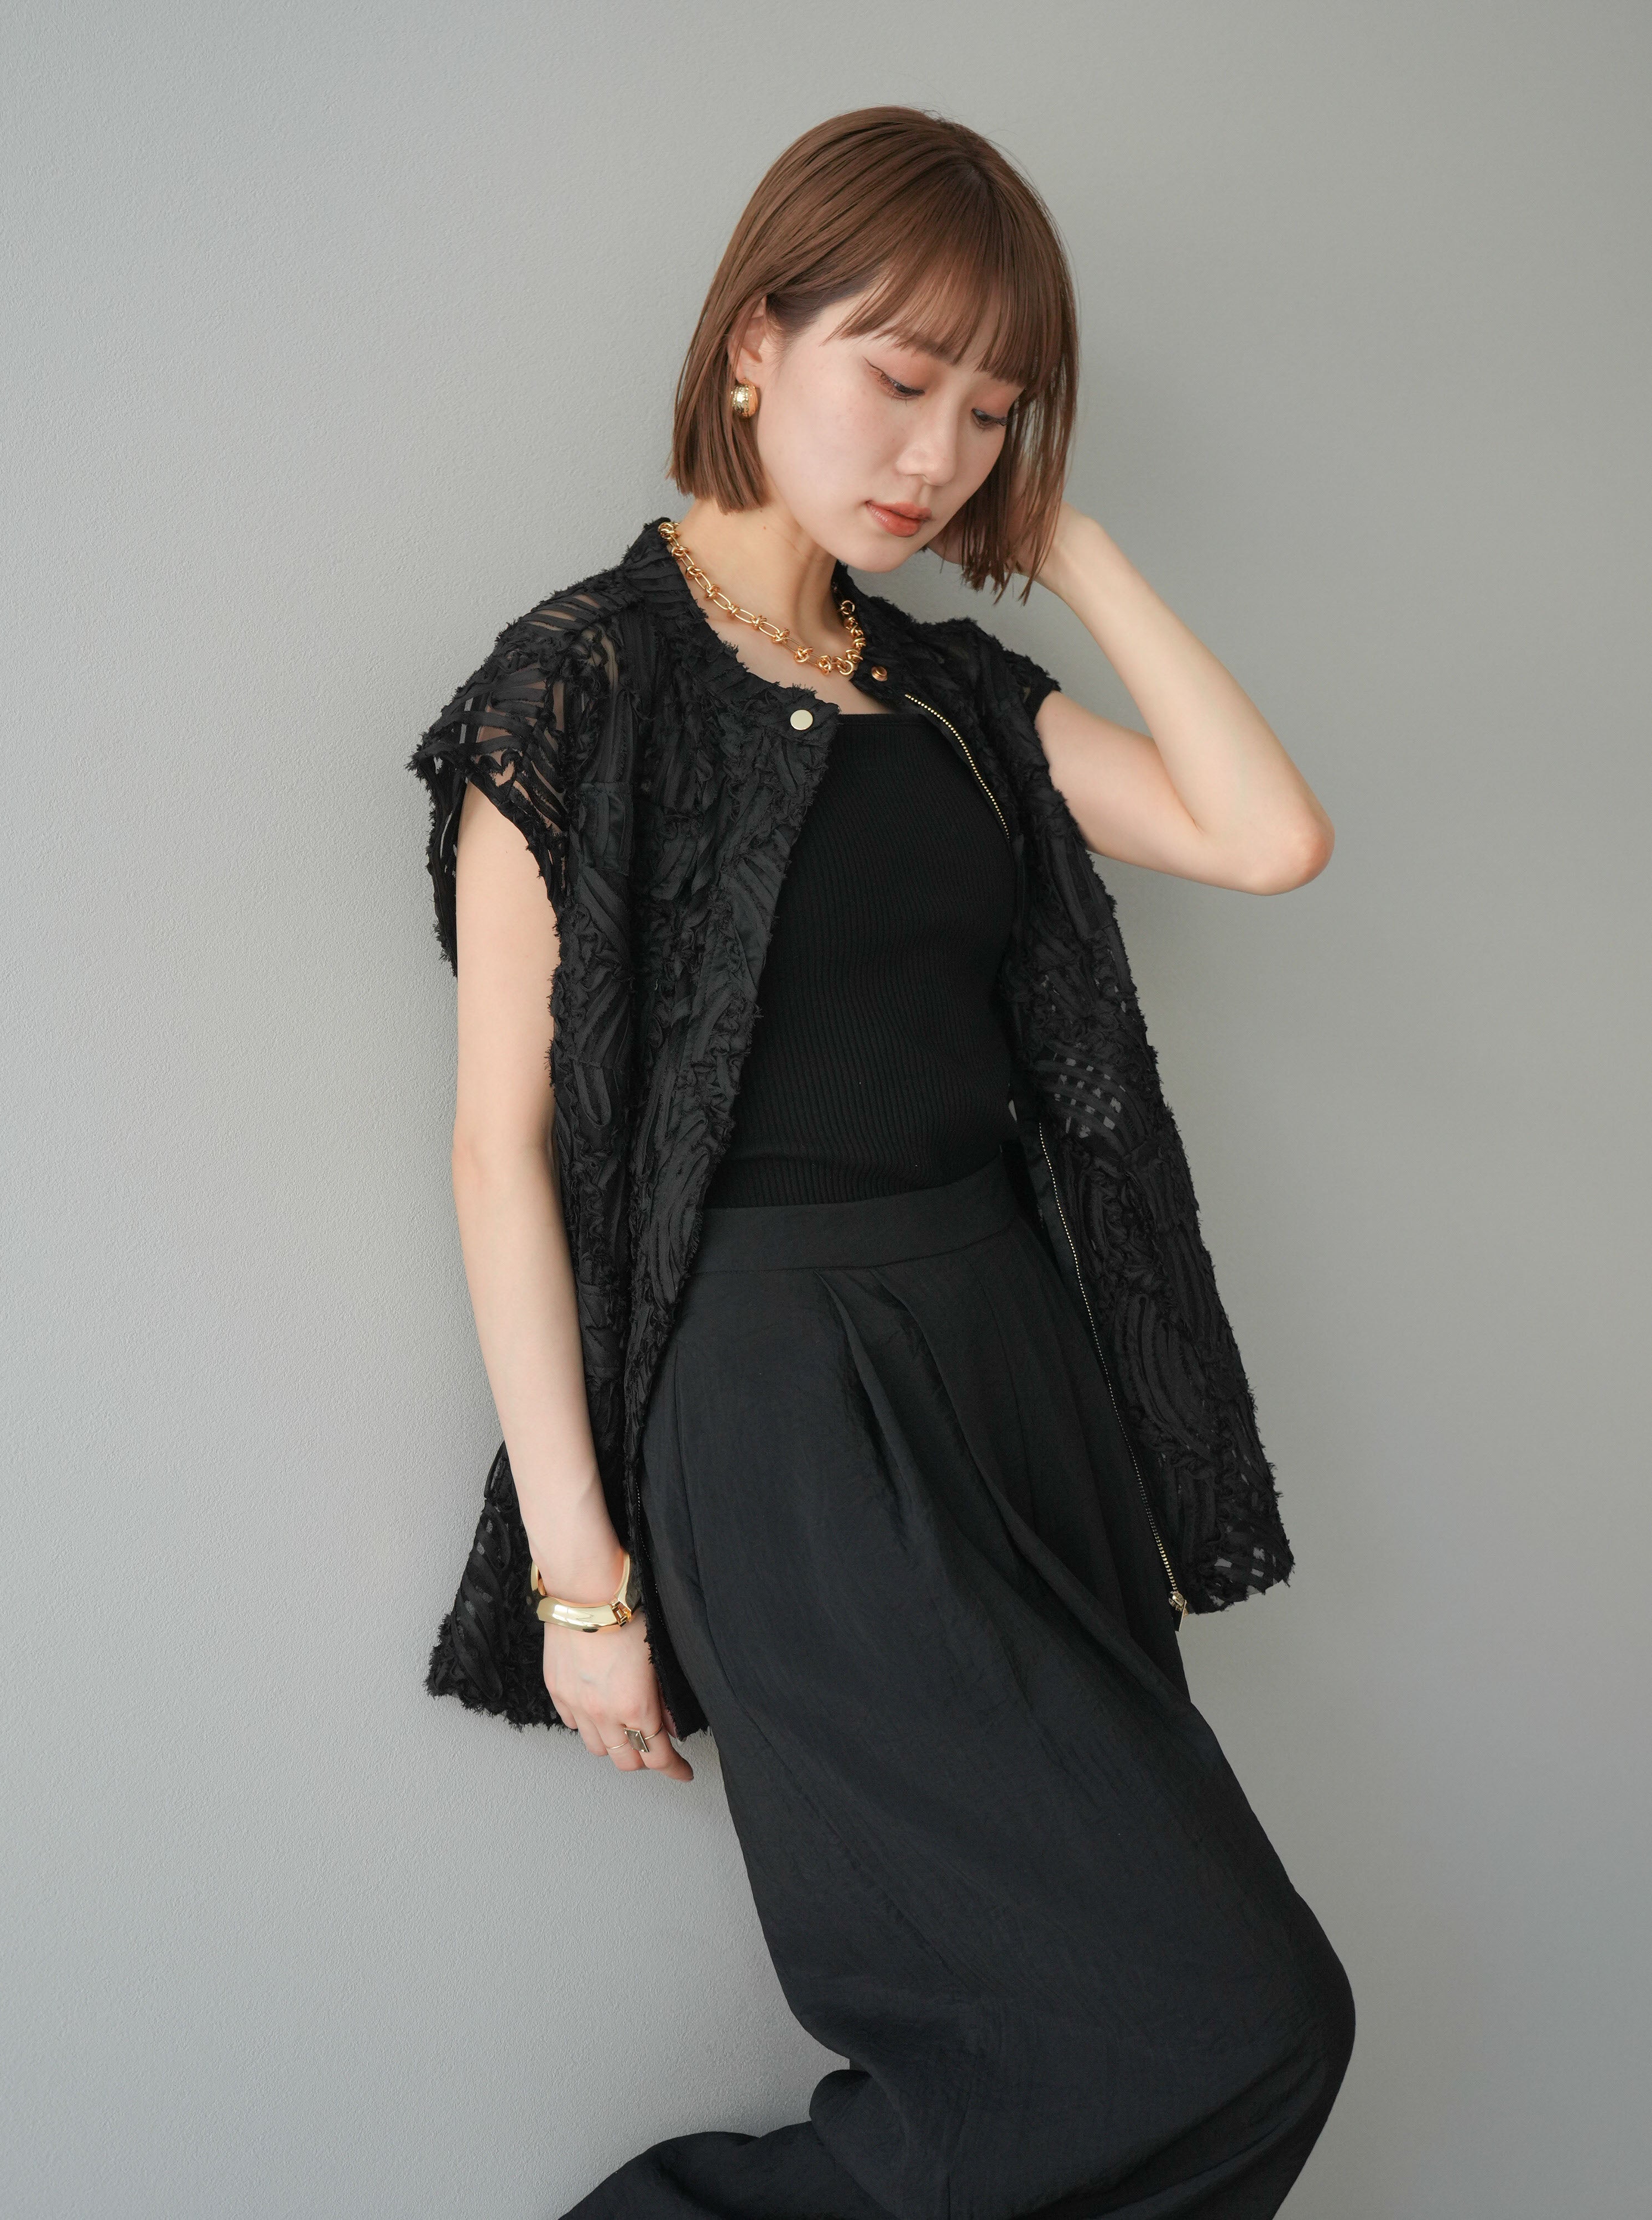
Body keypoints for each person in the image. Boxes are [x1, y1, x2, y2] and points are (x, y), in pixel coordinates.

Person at [410, 105, 1353, 2220]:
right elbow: (498, 1151)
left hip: (1013, 1370)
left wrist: (1063, 538)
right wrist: (579, 1580)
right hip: (788, 1406)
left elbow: (1262, 837)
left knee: (1121, 2031)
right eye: (901, 378)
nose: (936, 453)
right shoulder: (577, 689)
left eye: (990, 412)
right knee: (1215, 2019)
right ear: (752, 343)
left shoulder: (938, 684)